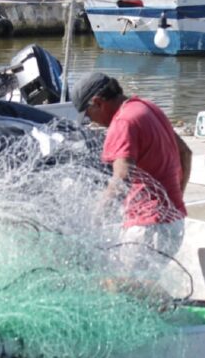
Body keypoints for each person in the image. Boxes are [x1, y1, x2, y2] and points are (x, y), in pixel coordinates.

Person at [71, 72, 192, 273]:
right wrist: (175, 198)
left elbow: (122, 177)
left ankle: (165, 305)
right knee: (141, 290)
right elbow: (185, 153)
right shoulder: (146, 107)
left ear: (98, 102)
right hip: (173, 224)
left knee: (125, 290)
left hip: (148, 229)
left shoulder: (123, 122)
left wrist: (94, 221)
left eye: (89, 115)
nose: (92, 122)